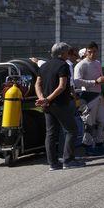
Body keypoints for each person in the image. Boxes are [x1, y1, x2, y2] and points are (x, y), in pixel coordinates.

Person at [35, 42, 83, 170]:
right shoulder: (64, 65)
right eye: (68, 52)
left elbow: (37, 84)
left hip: (47, 105)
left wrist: (42, 98)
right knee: (72, 130)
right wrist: (48, 98)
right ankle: (68, 160)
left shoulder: (44, 66)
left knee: (50, 133)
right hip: (60, 103)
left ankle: (53, 163)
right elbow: (62, 86)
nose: (69, 54)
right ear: (62, 53)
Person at [74, 42, 104, 156]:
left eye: (94, 51)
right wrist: (94, 82)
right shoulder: (81, 65)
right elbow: (77, 82)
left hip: (99, 96)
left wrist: (101, 81)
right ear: (86, 52)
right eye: (90, 52)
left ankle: (99, 144)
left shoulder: (98, 63)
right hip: (87, 97)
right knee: (89, 123)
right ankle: (88, 146)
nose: (92, 54)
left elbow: (99, 78)